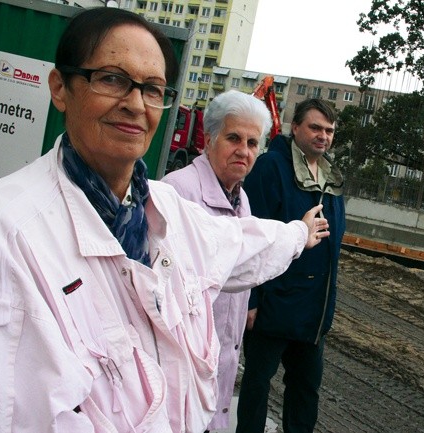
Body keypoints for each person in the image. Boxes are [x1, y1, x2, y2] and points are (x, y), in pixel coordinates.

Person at [0, 8, 329, 433]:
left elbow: (243, 243)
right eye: (112, 79)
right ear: (61, 88)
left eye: (152, 89)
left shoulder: (167, 211)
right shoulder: (10, 234)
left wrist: (300, 232)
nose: (135, 104)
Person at [161, 90, 271, 431]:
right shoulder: (178, 190)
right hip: (181, 362)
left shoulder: (242, 198)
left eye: (253, 143)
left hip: (221, 357)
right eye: (234, 138)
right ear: (209, 140)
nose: (244, 150)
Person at [235, 99, 346, 433]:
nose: (322, 136)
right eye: (315, 127)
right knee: (257, 386)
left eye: (328, 130)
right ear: (294, 127)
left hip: (313, 312)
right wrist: (251, 300)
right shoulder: (271, 168)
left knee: (305, 392)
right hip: (273, 304)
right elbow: (252, 232)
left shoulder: (331, 178)